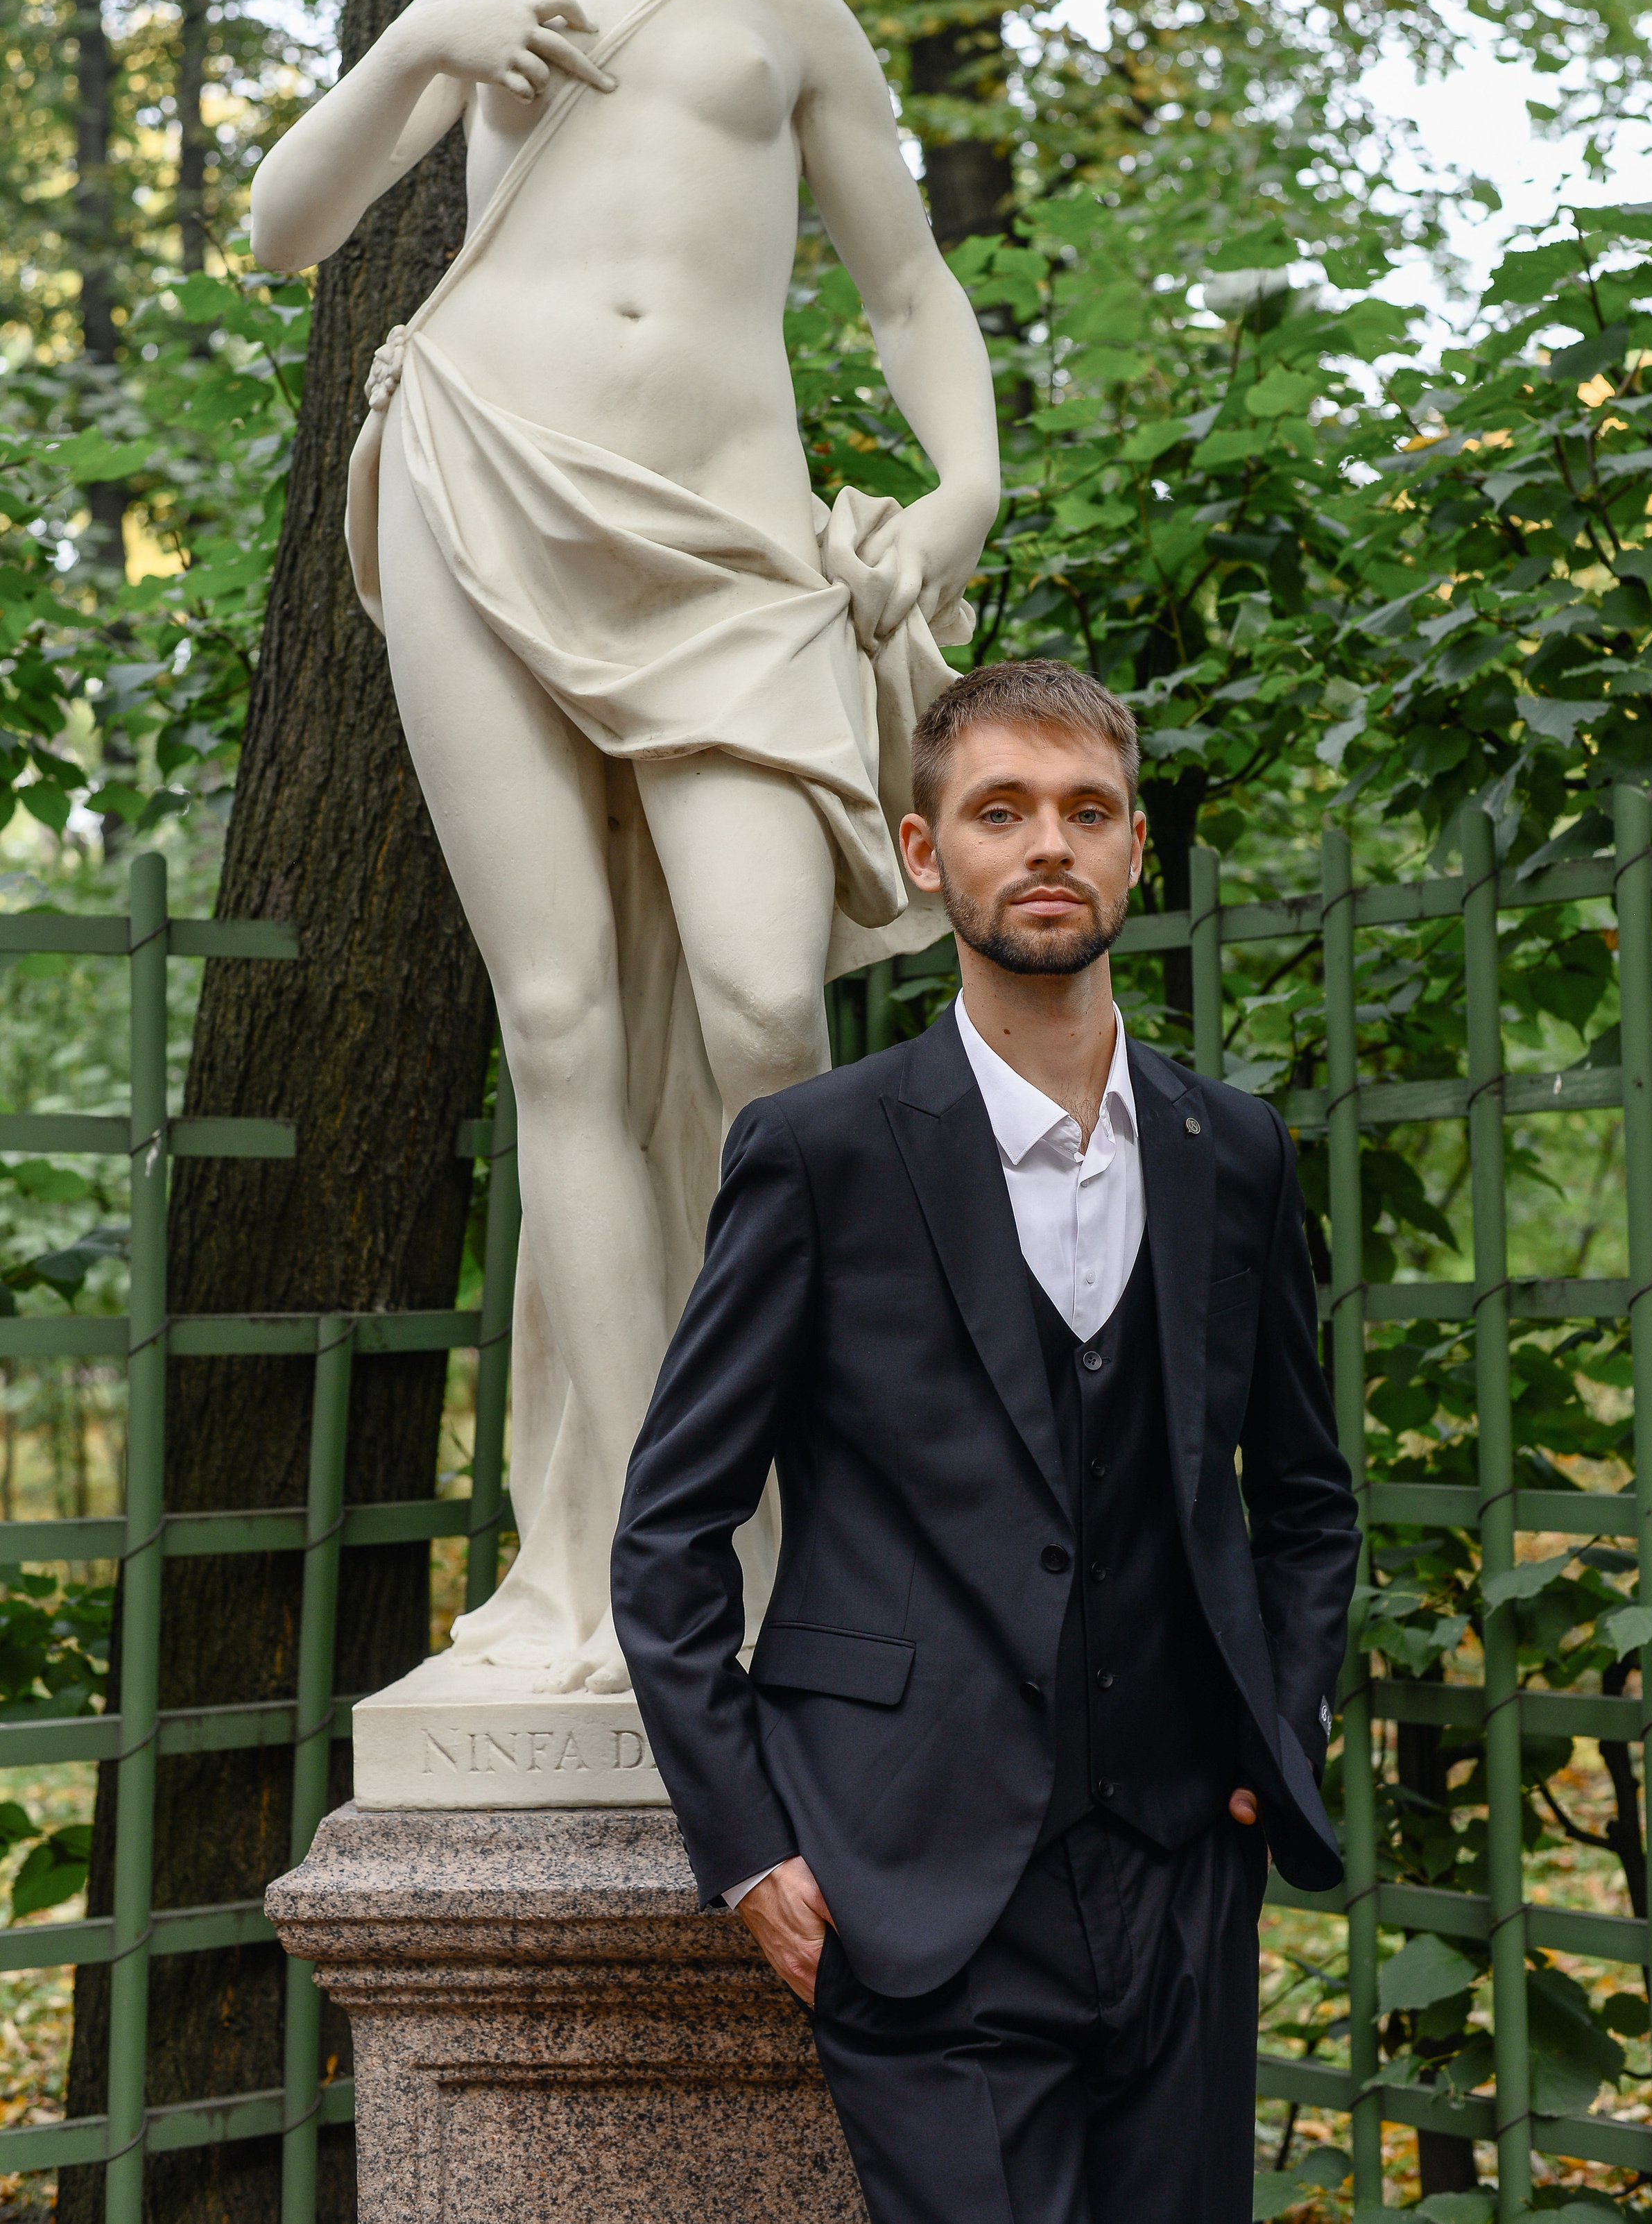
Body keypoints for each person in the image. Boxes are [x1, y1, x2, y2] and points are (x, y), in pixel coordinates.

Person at [247, 0, 999, 1696]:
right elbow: (281, 229)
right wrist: (422, 32)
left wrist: (961, 491)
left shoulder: (788, 16)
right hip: (486, 482)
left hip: (739, 546)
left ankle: (817, 1507)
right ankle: (604, 1568)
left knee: (769, 1011)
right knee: (560, 1028)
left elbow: (910, 293)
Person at [612, 657, 1362, 2224]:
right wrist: (750, 1849)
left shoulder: (1232, 1151)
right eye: (998, 811)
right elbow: (669, 1530)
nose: (1045, 847)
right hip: (908, 1872)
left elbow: (1302, 1501)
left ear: (1133, 850)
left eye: (1085, 812)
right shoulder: (818, 1153)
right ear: (917, 851)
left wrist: (1271, 1734)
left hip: (1174, 1871)